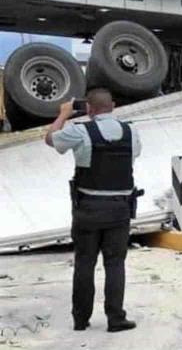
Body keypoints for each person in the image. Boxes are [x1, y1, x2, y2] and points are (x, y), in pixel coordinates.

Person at [44, 88, 141, 332]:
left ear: (89, 108)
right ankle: (116, 318)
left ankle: (80, 319)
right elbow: (134, 155)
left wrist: (63, 115)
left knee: (85, 263)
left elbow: (50, 138)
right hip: (120, 209)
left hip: (88, 208)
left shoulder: (79, 131)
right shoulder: (131, 132)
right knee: (115, 264)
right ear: (114, 106)